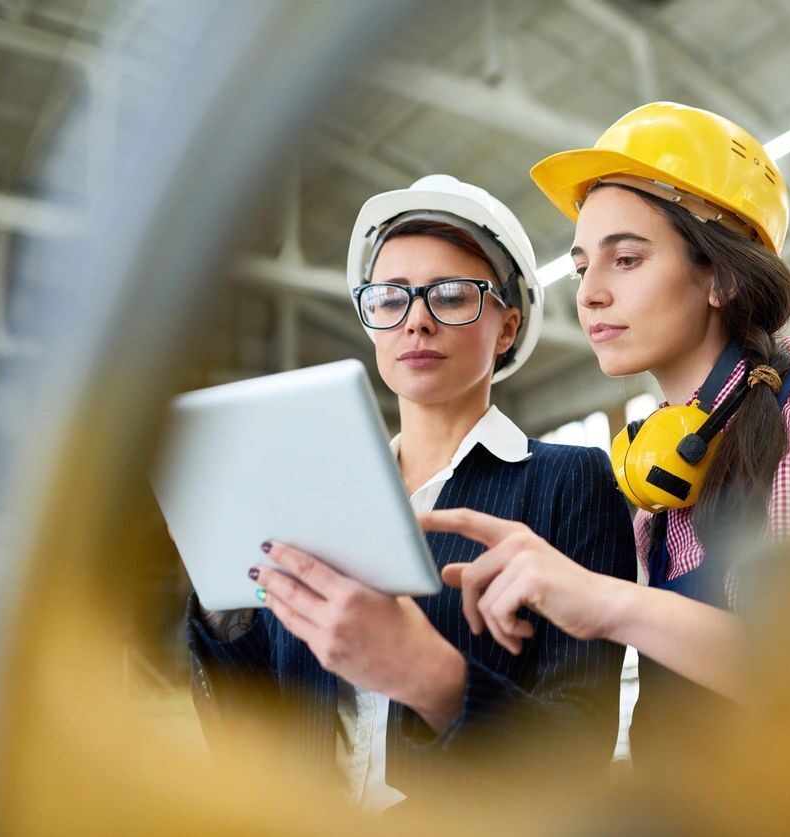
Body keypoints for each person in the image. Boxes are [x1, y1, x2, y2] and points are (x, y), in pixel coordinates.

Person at [420, 103, 790, 768]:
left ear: (722, 275)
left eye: (627, 259)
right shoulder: (657, 500)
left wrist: (609, 601)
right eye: (583, 266)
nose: (589, 294)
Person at [185, 175, 635, 807]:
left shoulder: (571, 482)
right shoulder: (314, 499)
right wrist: (221, 595)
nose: (416, 321)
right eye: (390, 298)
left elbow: (575, 752)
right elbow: (255, 728)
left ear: (507, 328)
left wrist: (435, 679)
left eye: (451, 296)